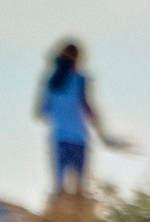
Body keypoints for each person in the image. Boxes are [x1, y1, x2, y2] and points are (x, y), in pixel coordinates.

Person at [35, 39, 128, 201]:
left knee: (60, 189)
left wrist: (59, 112)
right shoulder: (80, 79)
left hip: (60, 138)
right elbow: (88, 109)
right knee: (80, 190)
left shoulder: (51, 82)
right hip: (79, 139)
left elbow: (41, 112)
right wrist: (103, 135)